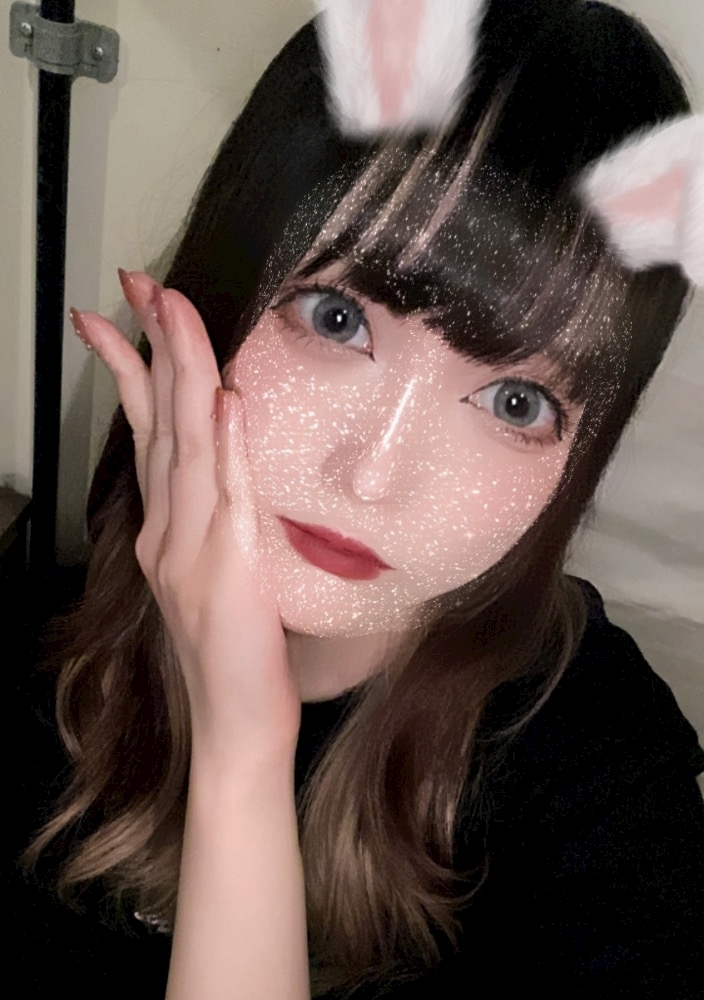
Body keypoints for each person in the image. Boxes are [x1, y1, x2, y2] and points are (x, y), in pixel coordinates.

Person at [12, 2, 704, 997]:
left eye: (516, 402)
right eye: (336, 317)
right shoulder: (37, 659)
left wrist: (242, 758)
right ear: (220, 290)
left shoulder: (593, 769)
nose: (373, 476)